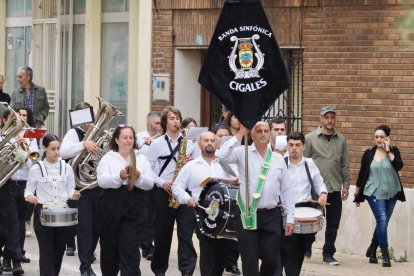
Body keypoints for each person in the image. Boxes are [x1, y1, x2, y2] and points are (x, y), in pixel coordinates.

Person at [216, 121, 295, 276]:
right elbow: (222, 156)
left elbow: (286, 189)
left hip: (272, 214)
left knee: (271, 259)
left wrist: (290, 217)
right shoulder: (242, 153)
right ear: (252, 134)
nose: (263, 133)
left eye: (266, 130)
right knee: (249, 260)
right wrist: (239, 134)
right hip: (247, 213)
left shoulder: (278, 159)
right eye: (259, 131)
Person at [172, 131, 237, 276]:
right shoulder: (191, 166)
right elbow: (176, 186)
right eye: (206, 140)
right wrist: (187, 199)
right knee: (207, 250)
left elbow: (235, 183)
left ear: (217, 143)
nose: (209, 143)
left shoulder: (224, 165)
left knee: (221, 252)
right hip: (202, 212)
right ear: (199, 144)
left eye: (212, 140)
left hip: (223, 214)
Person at [145, 106, 198, 276]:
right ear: (165, 122)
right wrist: (161, 183)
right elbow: (149, 170)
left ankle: (187, 270)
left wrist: (193, 161)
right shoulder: (156, 144)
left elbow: (199, 167)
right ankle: (159, 270)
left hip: (184, 192)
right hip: (164, 192)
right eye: (172, 118)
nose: (175, 121)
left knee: (186, 235)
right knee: (162, 234)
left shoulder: (190, 144)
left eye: (177, 118)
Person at [97, 124, 154, 276]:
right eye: (124, 137)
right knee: (110, 247)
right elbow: (102, 181)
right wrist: (118, 176)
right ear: (116, 139)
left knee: (131, 248)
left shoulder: (141, 158)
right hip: (112, 204)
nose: (128, 141)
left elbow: (150, 183)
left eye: (131, 137)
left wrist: (139, 177)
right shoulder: (108, 158)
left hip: (135, 204)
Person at [25, 134, 81, 276]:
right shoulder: (36, 168)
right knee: (46, 251)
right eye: (52, 149)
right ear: (45, 148)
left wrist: (74, 194)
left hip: (62, 214)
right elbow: (28, 190)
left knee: (59, 250)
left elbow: (70, 190)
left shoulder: (67, 168)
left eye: (58, 148)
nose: (56, 152)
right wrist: (30, 196)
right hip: (43, 212)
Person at [303, 106, 350, 266]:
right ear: (321, 119)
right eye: (326, 117)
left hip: (335, 187)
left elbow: (344, 163)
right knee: (312, 221)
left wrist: (346, 184)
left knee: (333, 223)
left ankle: (328, 253)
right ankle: (307, 243)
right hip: (316, 189)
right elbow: (304, 163)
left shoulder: (341, 140)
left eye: (332, 117)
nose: (329, 121)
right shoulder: (309, 138)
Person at [353, 125, 405, 267]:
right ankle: (385, 255)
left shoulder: (394, 151)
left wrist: (388, 151)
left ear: (387, 138)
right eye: (376, 137)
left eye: (382, 137)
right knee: (382, 220)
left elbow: (399, 165)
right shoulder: (369, 152)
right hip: (373, 191)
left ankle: (372, 250)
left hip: (392, 192)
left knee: (383, 223)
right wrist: (357, 193)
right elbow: (362, 172)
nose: (378, 139)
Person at [60, 101, 101, 276]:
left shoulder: (100, 133)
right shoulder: (73, 133)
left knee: (97, 228)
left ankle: (88, 254)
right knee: (85, 227)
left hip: (98, 186)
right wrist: (83, 145)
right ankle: (85, 267)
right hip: (81, 188)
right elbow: (63, 152)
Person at [280, 132, 328, 276]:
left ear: (303, 147)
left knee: (300, 251)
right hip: (285, 210)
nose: (294, 148)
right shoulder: (280, 163)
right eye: (291, 145)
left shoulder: (309, 163)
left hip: (304, 211)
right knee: (288, 250)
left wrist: (323, 194)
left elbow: (319, 182)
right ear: (287, 146)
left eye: (298, 145)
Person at [2, 107, 38, 275]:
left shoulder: (30, 137)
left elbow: (34, 161)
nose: (21, 119)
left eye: (24, 117)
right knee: (11, 224)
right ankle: (16, 261)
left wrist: (22, 149)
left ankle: (9, 257)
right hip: (8, 184)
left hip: (25, 185)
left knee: (20, 224)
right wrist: (14, 149)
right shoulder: (3, 136)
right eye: (18, 116)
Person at [210, 124, 241, 276]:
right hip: (216, 201)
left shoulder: (232, 155)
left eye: (225, 136)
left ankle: (232, 262)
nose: (223, 138)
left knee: (232, 236)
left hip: (232, 199)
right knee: (218, 237)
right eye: (220, 136)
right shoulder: (212, 157)